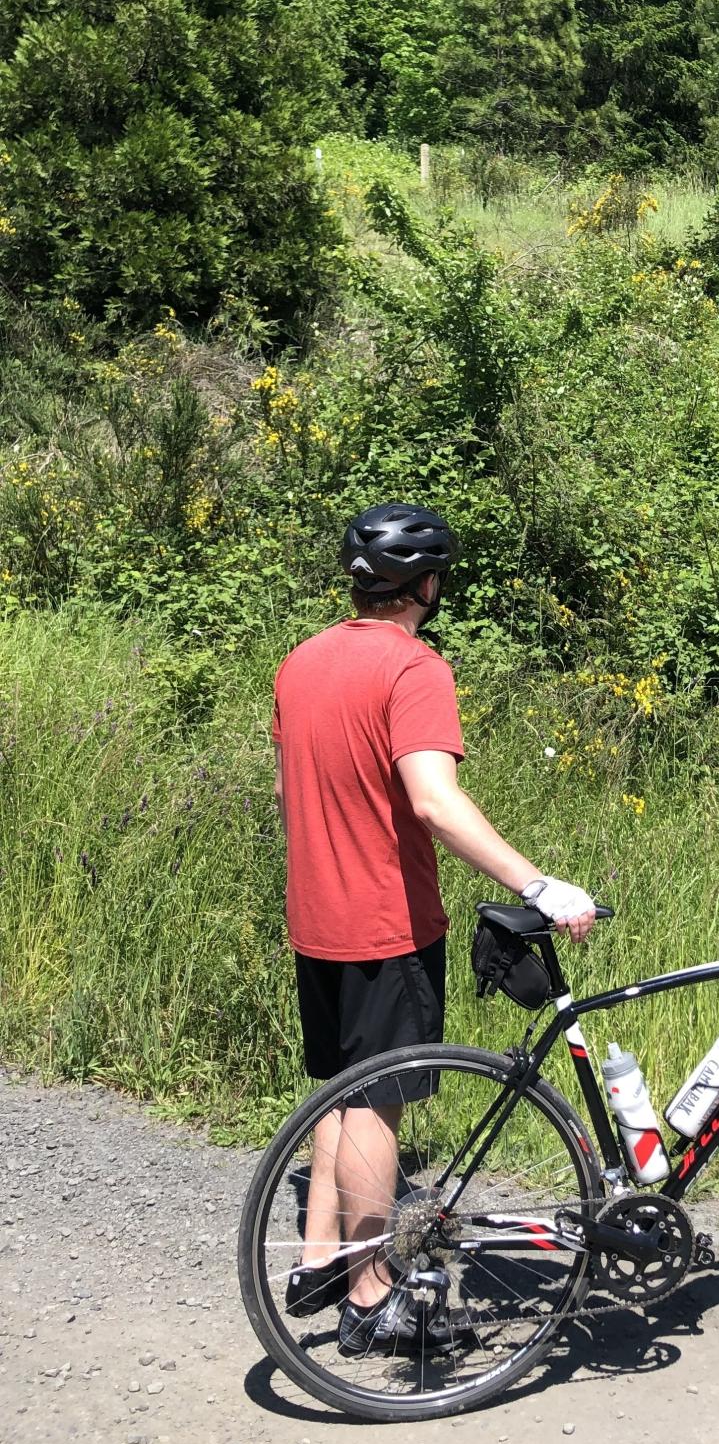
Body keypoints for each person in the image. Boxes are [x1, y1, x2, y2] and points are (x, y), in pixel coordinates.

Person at [272, 501, 596, 1357]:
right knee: (379, 1102)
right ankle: (373, 1297)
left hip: (315, 915)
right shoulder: (414, 668)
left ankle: (319, 1259)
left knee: (341, 1089)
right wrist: (538, 883)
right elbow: (432, 800)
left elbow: (291, 793)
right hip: (385, 919)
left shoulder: (300, 662)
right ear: (426, 584)